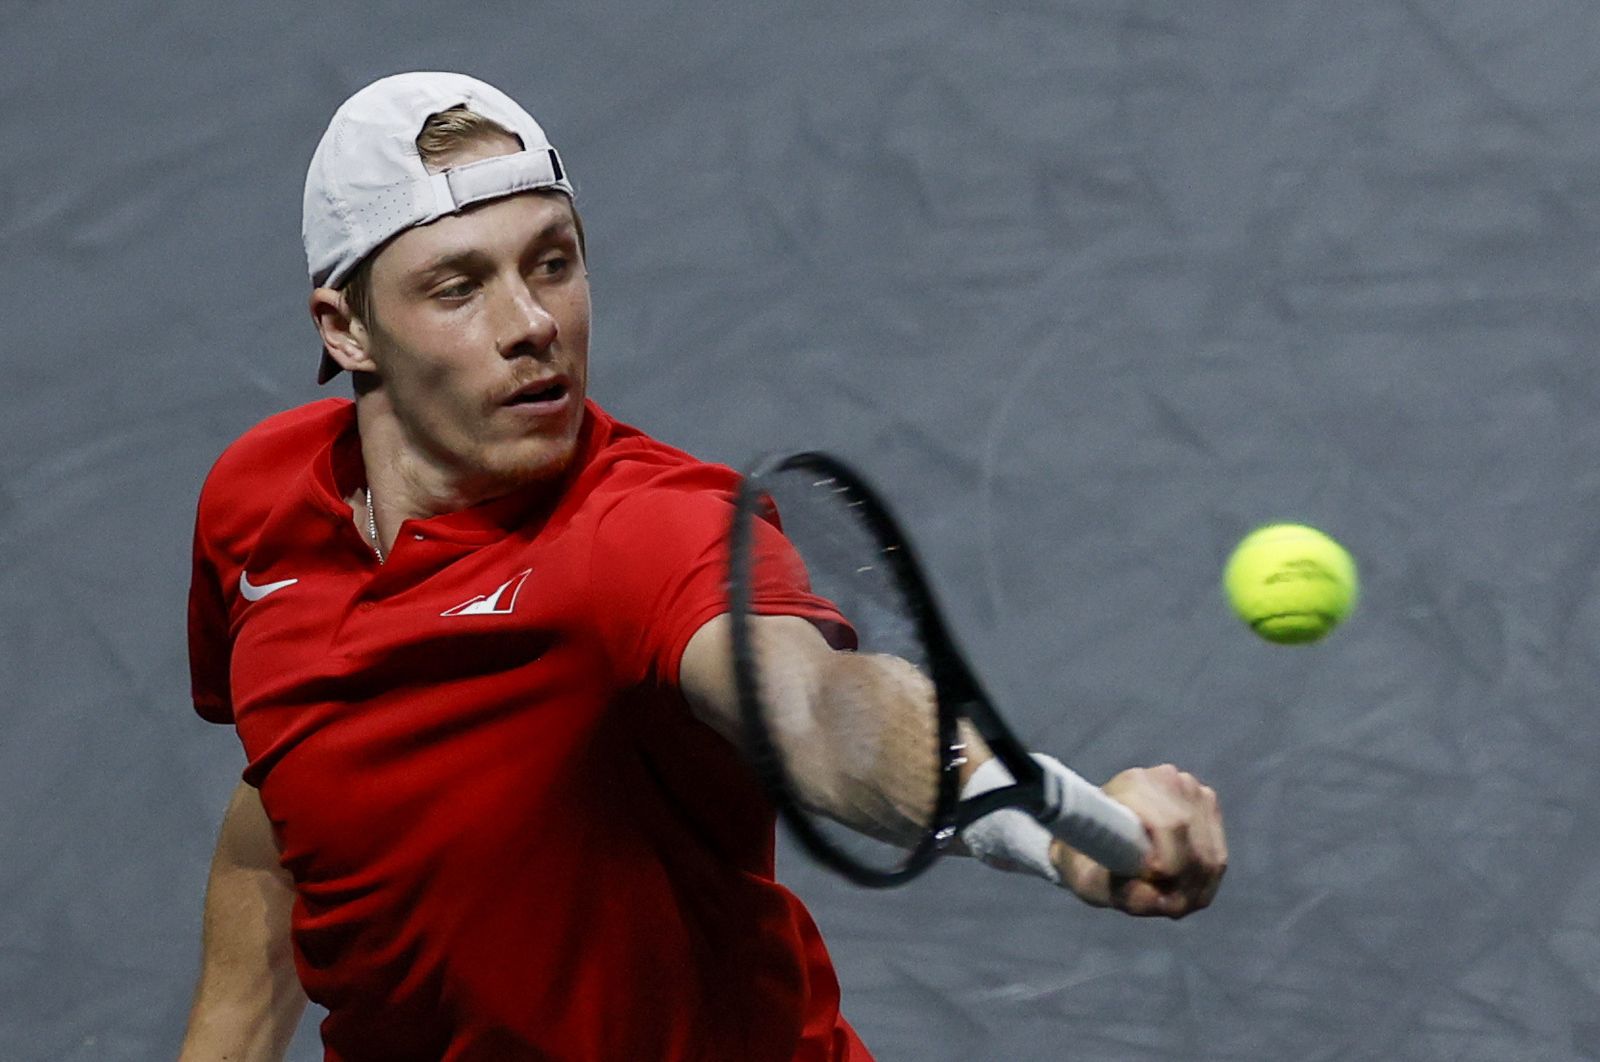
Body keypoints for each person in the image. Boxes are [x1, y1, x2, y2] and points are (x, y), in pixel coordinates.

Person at [178, 71, 1227, 1062]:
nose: (531, 324)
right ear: (346, 329)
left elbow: (819, 710)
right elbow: (288, 795)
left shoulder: (645, 530)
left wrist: (1046, 822)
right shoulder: (255, 503)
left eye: (552, 262)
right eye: (458, 288)